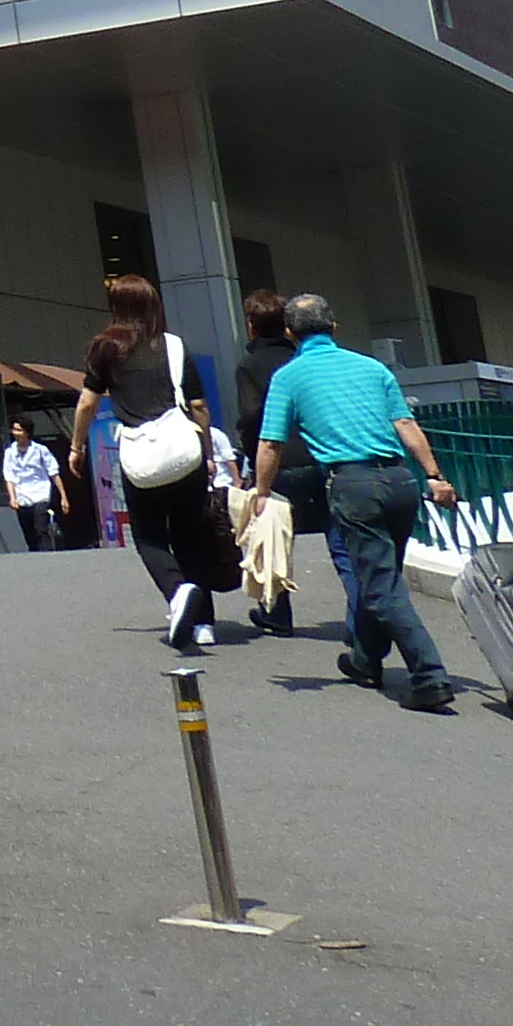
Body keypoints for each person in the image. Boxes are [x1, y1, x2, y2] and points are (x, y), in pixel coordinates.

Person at [248, 291, 465, 713]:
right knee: (377, 573)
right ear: (334, 328)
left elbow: (271, 443)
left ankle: (429, 675)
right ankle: (364, 661)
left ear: (290, 333)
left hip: (352, 484)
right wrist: (435, 477)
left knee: (382, 586)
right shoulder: (372, 368)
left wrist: (260, 493)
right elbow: (405, 423)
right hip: (401, 481)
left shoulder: (289, 377)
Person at [79, 274, 242, 648]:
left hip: (140, 455)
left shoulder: (106, 349)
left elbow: (88, 403)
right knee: (191, 535)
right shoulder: (173, 346)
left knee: (149, 535)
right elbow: (198, 406)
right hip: (185, 452)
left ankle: (177, 589)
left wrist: (76, 447)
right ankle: (204, 625)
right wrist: (206, 454)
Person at [229, 290, 313, 638]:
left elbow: (251, 416)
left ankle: (278, 613)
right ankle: (362, 617)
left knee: (272, 538)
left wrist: (252, 462)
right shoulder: (302, 360)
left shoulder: (249, 366)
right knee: (341, 543)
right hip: (317, 456)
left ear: (251, 327)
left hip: (276, 460)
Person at [1, 415, 65, 551]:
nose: (15, 433)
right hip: (22, 496)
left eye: (19, 430)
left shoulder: (41, 451)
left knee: (41, 528)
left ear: (27, 433)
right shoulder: (10, 453)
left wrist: (63, 497)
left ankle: (46, 554)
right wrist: (12, 498)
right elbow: (9, 477)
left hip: (40, 493)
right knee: (28, 531)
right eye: (14, 430)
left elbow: (54, 473)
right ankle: (34, 555)